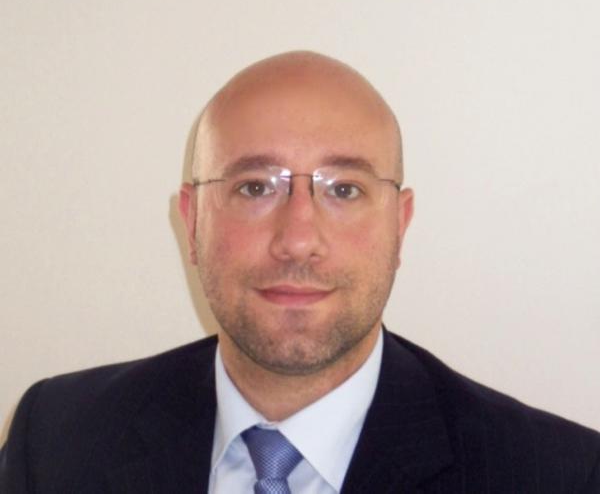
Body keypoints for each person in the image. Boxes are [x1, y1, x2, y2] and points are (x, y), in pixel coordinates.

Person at [1, 51, 598, 494]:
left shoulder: (558, 475)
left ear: (399, 225)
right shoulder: (55, 440)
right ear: (193, 220)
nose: (298, 241)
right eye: (254, 187)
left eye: (344, 189)